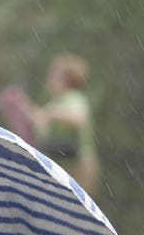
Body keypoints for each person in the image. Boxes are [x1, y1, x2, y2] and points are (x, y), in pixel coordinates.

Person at [31, 53, 100, 197]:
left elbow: (78, 118)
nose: (48, 79)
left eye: (54, 74)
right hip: (64, 163)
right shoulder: (57, 100)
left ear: (66, 79)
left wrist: (52, 114)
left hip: (79, 165)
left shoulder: (73, 97)